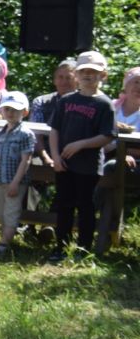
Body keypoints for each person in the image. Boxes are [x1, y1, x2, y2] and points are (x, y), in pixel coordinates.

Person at [45, 51, 115, 260]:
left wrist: (82, 144)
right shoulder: (66, 101)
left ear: (103, 75)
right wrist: (56, 157)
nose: (87, 75)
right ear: (76, 73)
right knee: (64, 205)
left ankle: (83, 249)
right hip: (64, 164)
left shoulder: (104, 104)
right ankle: (61, 247)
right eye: (83, 71)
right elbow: (54, 130)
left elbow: (107, 136)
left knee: (85, 207)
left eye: (93, 72)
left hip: (88, 166)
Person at [0, 92, 36, 259]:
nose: (11, 113)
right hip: (0, 180)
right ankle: (5, 243)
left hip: (15, 182)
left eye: (15, 109)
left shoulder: (26, 134)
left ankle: (1, 248)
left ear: (25, 112)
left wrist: (16, 183)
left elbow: (26, 160)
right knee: (1, 215)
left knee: (11, 215)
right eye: (7, 109)